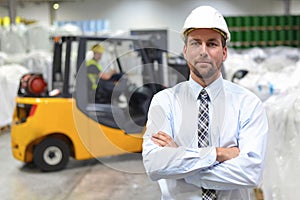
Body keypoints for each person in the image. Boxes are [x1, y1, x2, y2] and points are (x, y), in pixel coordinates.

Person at [142, 5, 268, 200]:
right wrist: (218, 154)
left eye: (211, 44)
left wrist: (182, 163)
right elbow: (154, 165)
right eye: (195, 43)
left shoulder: (248, 103)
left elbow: (250, 173)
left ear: (224, 52)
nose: (203, 51)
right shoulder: (164, 102)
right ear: (185, 50)